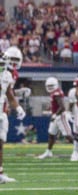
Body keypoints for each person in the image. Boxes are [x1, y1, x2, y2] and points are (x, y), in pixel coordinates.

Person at [0, 49, 25, 184]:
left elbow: (9, 92)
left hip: (2, 112)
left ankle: (0, 172)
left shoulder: (8, 76)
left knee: (0, 142)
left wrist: (18, 107)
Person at [38, 77, 72, 160]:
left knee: (68, 136)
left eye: (51, 86)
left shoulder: (57, 93)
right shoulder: (54, 93)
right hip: (56, 116)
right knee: (51, 134)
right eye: (48, 86)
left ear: (56, 85)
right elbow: (57, 105)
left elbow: (62, 107)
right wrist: (51, 110)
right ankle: (48, 151)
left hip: (60, 116)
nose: (50, 87)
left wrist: (55, 115)